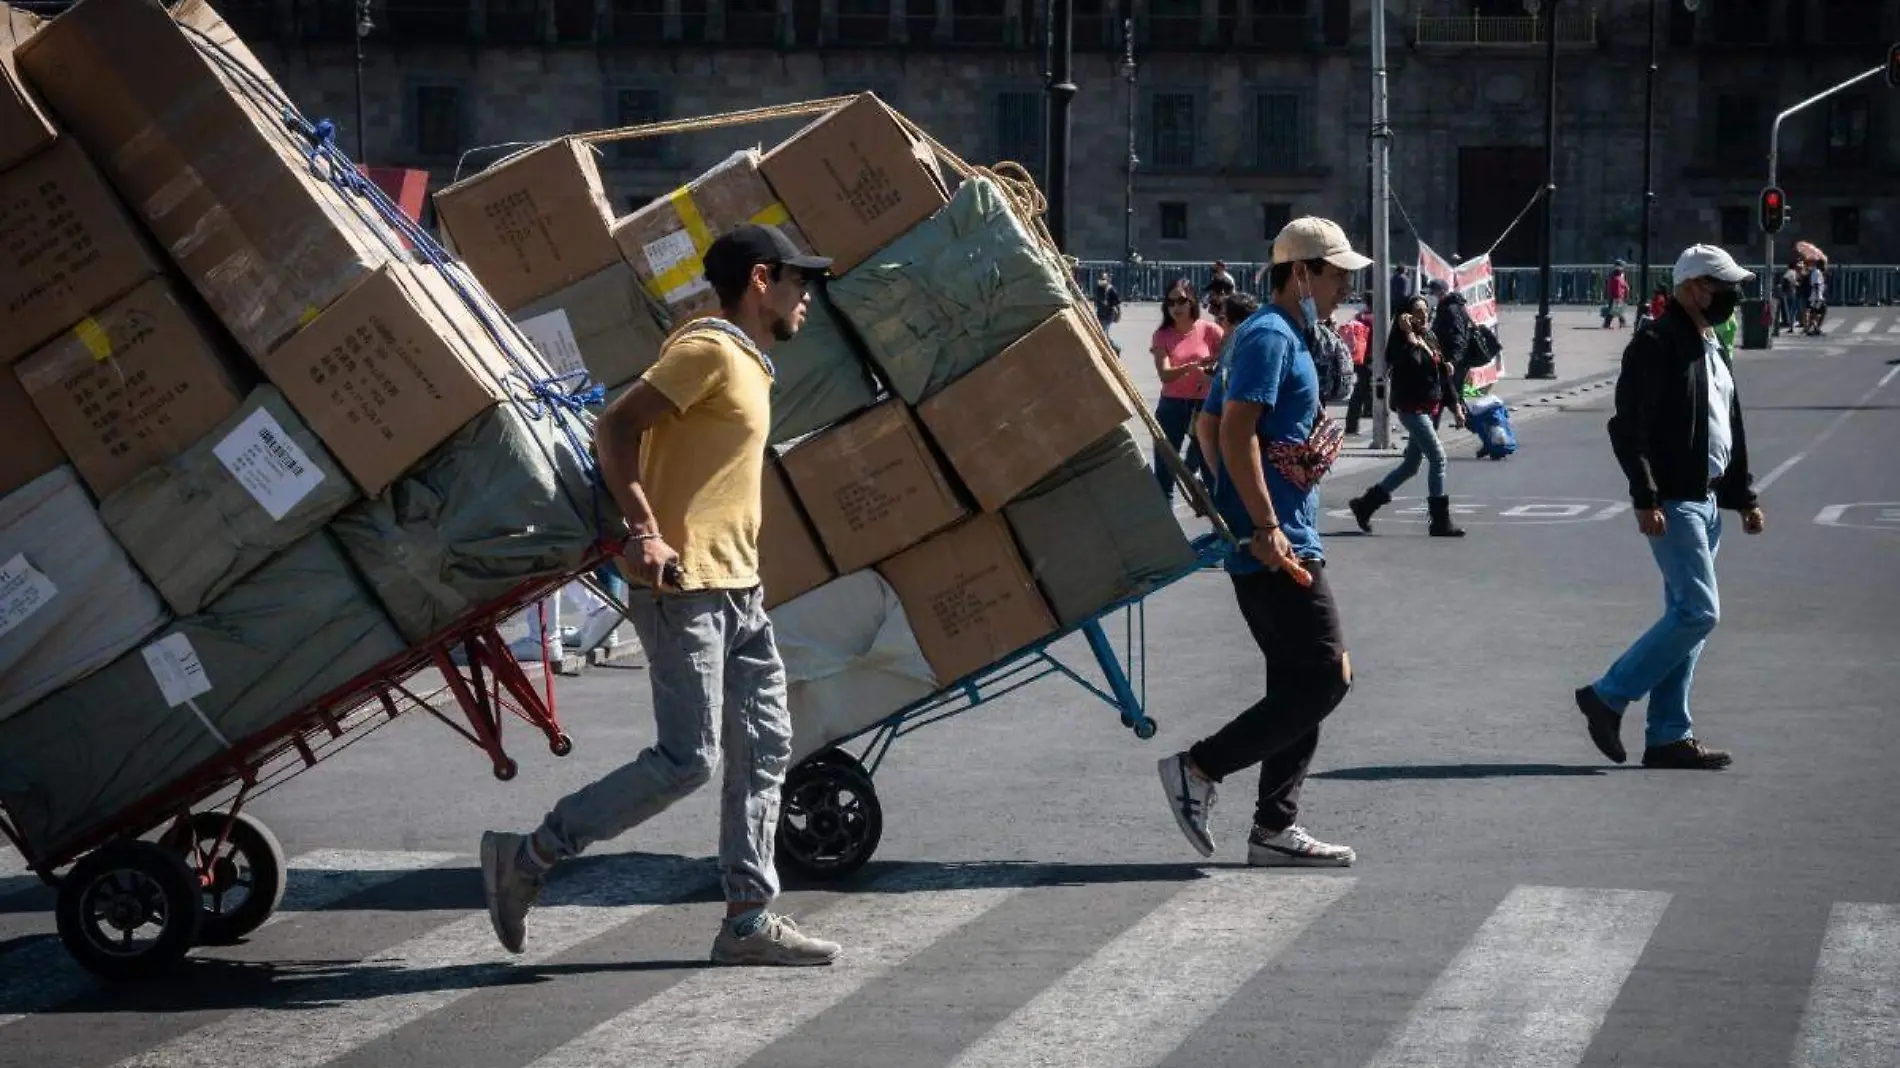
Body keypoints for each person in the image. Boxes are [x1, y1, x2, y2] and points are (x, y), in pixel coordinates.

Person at [479, 223, 844, 966]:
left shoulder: (747, 361)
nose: (809, 298)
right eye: (801, 283)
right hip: (684, 590)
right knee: (689, 759)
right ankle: (528, 857)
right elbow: (614, 427)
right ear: (762, 279)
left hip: (738, 587)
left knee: (766, 745)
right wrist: (645, 530)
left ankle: (747, 920)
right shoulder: (706, 348)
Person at [1157, 216, 1368, 868]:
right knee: (1327, 676)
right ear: (1301, 272)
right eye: (1337, 276)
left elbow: (1215, 424)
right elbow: (1235, 429)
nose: (1343, 289)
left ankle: (1275, 828)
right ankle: (1199, 767)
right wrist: (1262, 522)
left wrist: (1257, 491)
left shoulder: (1272, 335)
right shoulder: (1273, 336)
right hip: (1278, 543)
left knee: (1297, 681)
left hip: (1275, 532)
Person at [1573, 244, 1765, 772]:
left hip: (1706, 497)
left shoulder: (1713, 345)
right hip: (1674, 499)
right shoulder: (1656, 342)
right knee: (1699, 612)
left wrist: (1742, 495)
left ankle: (1667, 737)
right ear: (1690, 286)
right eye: (1719, 285)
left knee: (1686, 616)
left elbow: (1731, 426)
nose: (1729, 295)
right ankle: (1607, 695)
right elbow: (1627, 426)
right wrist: (1645, 494)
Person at [1346, 296, 1468, 538]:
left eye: (1426, 311)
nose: (1423, 316)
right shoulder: (1399, 342)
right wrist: (1410, 338)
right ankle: (1439, 521)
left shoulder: (1430, 337)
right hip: (1410, 409)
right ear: (1406, 315)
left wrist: (1455, 407)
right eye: (1417, 312)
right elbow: (1410, 364)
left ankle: (1365, 504)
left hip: (1429, 407)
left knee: (1411, 465)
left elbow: (1442, 376)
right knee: (1438, 458)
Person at [1150, 281, 1223, 502]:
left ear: (1192, 301)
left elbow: (1227, 362)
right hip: (1172, 405)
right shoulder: (1162, 335)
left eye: (1181, 300)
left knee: (1210, 468)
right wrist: (1190, 367)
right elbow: (1165, 374)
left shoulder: (1209, 330)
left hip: (1204, 407)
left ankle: (1220, 524)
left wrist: (1211, 370)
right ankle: (1167, 530)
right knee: (1165, 470)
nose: (1176, 307)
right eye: (1171, 302)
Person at [1194, 291, 1260, 485]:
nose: (1219, 323)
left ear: (1236, 321)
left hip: (1229, 428)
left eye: (1222, 318)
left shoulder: (1237, 344)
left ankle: (1217, 482)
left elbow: (1227, 387)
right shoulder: (1250, 342)